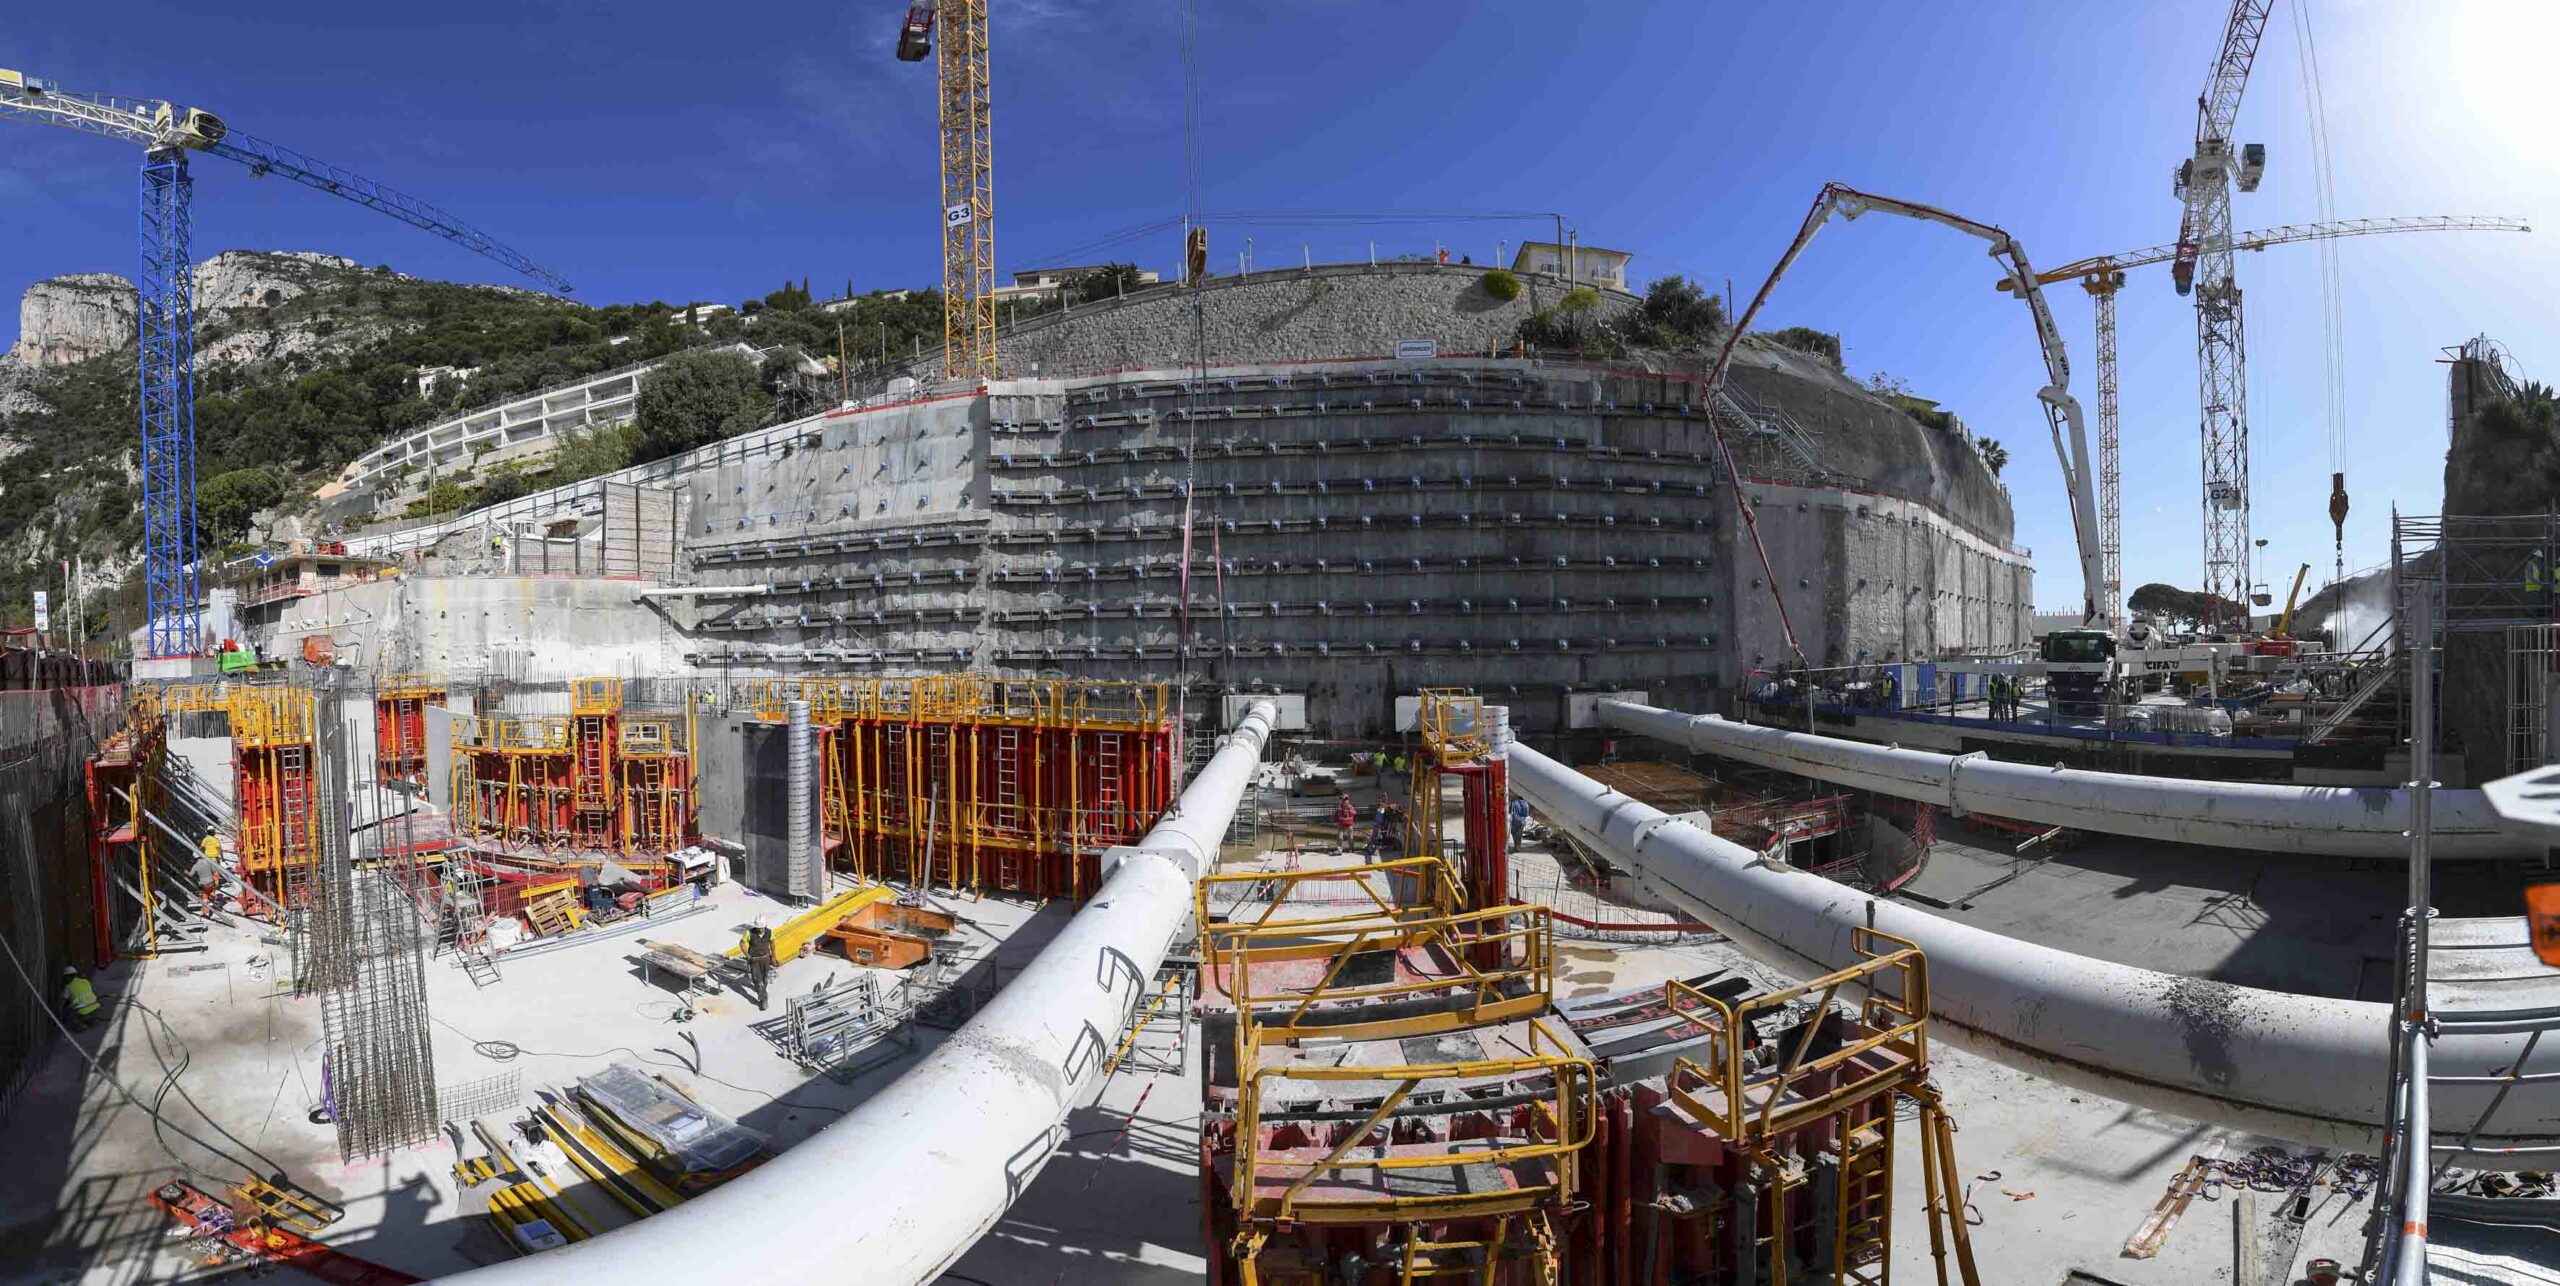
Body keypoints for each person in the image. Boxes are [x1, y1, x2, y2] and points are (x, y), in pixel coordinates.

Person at [744, 924, 777, 1012]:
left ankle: (761, 990)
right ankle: (764, 1000)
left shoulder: (769, 932)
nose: (760, 930)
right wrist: (747, 956)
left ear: (765, 926)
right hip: (755, 960)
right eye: (758, 928)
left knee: (765, 979)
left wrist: (774, 957)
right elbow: (742, 943)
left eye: (762, 928)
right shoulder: (749, 933)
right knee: (758, 980)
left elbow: (772, 943)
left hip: (766, 959)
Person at [59, 965, 100, 1031]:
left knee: (67, 1011)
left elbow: (62, 1003)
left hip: (84, 1012)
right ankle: (91, 1020)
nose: (64, 979)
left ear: (70, 976)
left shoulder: (68, 987)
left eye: (65, 977)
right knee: (81, 1009)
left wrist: (59, 1013)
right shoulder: (85, 981)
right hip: (95, 1008)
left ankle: (79, 1025)